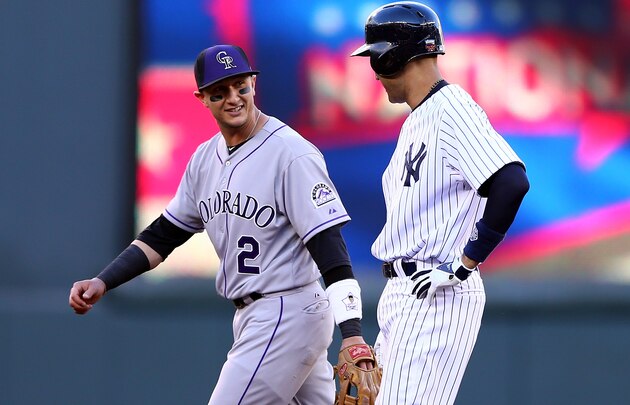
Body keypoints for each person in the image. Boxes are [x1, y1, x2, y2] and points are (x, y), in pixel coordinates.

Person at [69, 44, 375, 404]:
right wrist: (105, 280)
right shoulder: (204, 159)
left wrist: (352, 332)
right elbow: (165, 235)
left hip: (287, 311)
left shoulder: (292, 153)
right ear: (202, 98)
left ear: (253, 84)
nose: (233, 98)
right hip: (255, 316)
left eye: (240, 86)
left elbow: (329, 245)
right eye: (220, 91)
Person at [350, 2, 530, 405]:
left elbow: (511, 181)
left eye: (375, 58)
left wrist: (465, 265)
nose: (374, 72)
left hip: (438, 291)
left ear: (394, 55)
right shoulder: (418, 118)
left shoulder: (451, 109)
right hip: (404, 293)